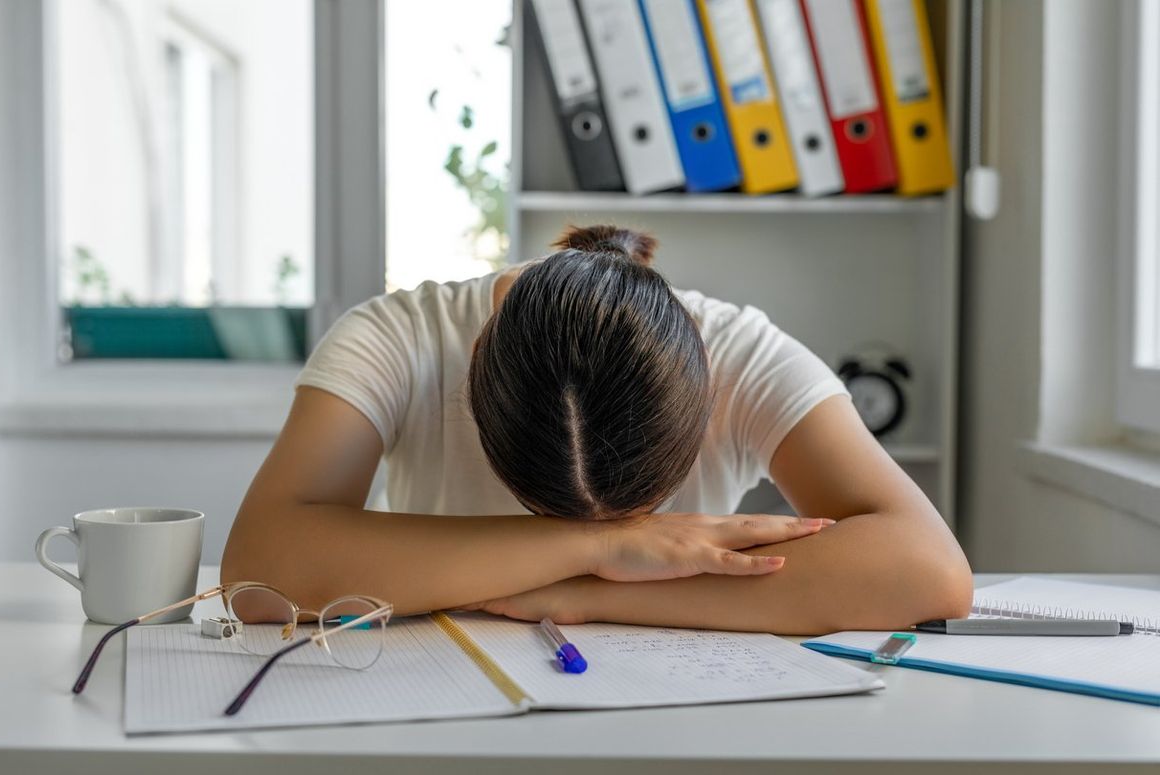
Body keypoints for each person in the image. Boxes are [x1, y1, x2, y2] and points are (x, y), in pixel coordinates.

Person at [222, 225, 971, 633]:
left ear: (705, 381)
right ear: (474, 369)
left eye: (628, 519)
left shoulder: (740, 352)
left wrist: (592, 593)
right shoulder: (399, 338)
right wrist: (601, 549)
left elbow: (926, 571)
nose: (601, 536)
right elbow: (260, 571)